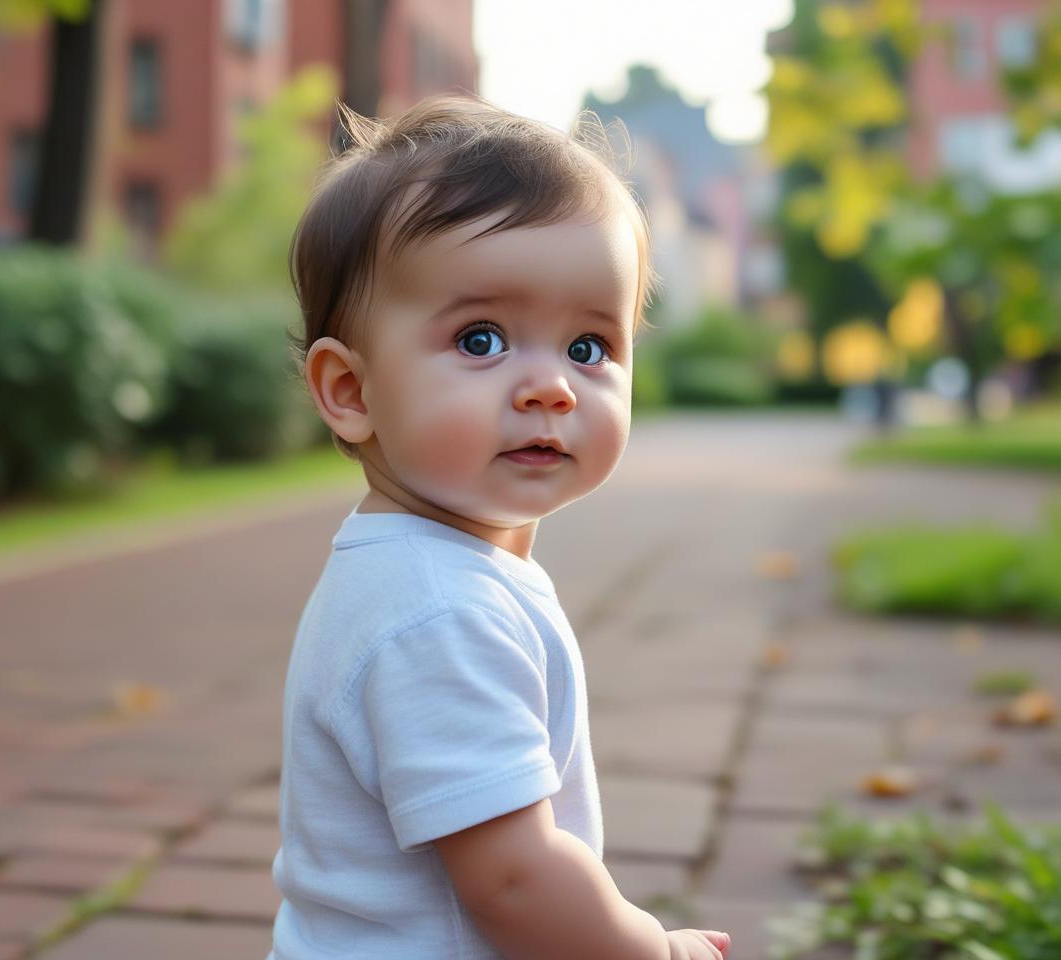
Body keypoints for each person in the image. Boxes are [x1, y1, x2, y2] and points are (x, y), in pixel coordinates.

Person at [269, 93, 732, 960]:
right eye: (482, 339)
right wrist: (652, 949)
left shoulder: (428, 572)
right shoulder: (438, 611)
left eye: (588, 348)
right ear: (351, 392)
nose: (550, 386)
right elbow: (514, 881)